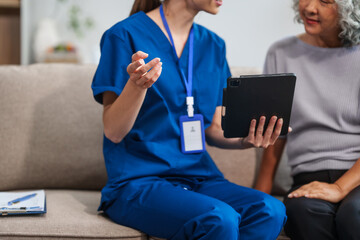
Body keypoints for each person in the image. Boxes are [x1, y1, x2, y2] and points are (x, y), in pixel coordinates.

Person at [92, 0, 287, 239]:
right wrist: (136, 87)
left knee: (270, 210)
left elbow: (214, 128)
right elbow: (113, 131)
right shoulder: (123, 35)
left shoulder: (214, 45)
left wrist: (246, 140)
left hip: (199, 176)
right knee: (218, 218)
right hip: (138, 181)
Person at [255, 0, 360, 239]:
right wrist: (259, 194)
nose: (310, 8)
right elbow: (274, 133)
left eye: (325, 1)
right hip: (308, 177)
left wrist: (339, 188)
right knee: (303, 213)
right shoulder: (281, 53)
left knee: (354, 213)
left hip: (356, 177)